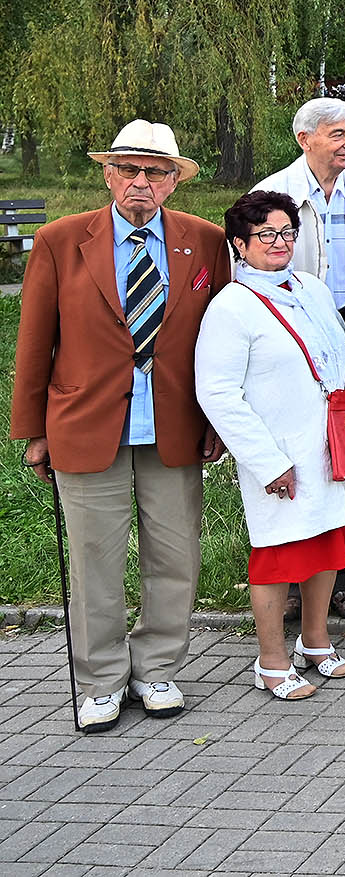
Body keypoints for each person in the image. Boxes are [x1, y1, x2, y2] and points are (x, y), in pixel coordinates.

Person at [11, 121, 233, 731]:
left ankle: (157, 667)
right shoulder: (61, 240)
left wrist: (217, 419)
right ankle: (102, 679)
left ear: (172, 182)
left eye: (155, 172)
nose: (141, 182)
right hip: (85, 423)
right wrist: (33, 428)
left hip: (174, 426)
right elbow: (34, 341)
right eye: (129, 170)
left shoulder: (207, 242)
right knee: (94, 560)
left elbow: (219, 341)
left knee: (175, 555)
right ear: (107, 175)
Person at [195, 191, 345, 699]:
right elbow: (217, 393)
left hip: (328, 446)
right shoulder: (231, 307)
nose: (280, 243)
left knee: (327, 544)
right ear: (239, 243)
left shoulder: (313, 290)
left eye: (287, 233)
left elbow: (343, 346)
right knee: (278, 554)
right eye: (266, 235)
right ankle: (271, 660)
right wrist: (266, 461)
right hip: (278, 452)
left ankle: (315, 642)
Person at [251, 97, 345, 621]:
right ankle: (292, 584)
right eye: (337, 134)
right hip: (292, 328)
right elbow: (245, 269)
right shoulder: (272, 194)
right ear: (304, 139)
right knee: (300, 450)